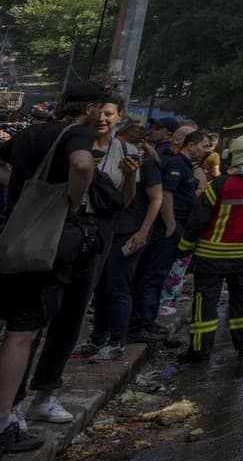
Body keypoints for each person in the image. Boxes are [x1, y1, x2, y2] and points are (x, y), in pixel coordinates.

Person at [0, 81, 105, 450]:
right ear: (90, 108)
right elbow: (80, 164)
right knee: (23, 332)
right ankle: (4, 423)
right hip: (46, 246)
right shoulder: (76, 133)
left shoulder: (31, 132)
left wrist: (22, 189)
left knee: (12, 325)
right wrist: (72, 199)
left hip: (13, 235)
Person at [29, 93, 130, 395]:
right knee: (35, 313)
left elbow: (123, 202)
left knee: (72, 311)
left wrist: (131, 178)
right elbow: (82, 166)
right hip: (55, 227)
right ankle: (18, 392)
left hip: (96, 233)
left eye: (108, 113)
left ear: (119, 116)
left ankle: (45, 386)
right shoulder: (66, 141)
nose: (101, 118)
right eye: (98, 112)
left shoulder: (125, 151)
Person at [178, 133, 243, 365]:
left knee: (205, 303)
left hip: (210, 256)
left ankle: (200, 352)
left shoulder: (219, 185)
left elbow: (198, 221)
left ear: (233, 157)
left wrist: (184, 249)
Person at [86, 121, 164, 360]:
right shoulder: (115, 163)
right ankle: (98, 338)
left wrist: (143, 232)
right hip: (109, 230)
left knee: (119, 287)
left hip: (130, 232)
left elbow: (156, 199)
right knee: (101, 287)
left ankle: (117, 340)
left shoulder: (147, 165)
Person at [130, 128, 208, 343]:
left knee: (160, 275)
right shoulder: (176, 165)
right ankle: (139, 324)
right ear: (190, 145)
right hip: (169, 228)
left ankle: (147, 320)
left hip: (177, 225)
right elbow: (166, 194)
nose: (205, 150)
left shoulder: (185, 166)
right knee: (153, 275)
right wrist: (171, 225)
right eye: (203, 145)